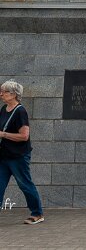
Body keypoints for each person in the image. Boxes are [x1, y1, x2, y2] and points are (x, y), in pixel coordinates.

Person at [0, 80, 43, 224]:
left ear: (14, 94)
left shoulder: (20, 111)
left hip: (18, 156)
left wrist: (3, 135)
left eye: (5, 92)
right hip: (3, 156)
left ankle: (37, 213)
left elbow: (24, 136)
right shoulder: (3, 109)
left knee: (24, 184)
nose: (1, 94)